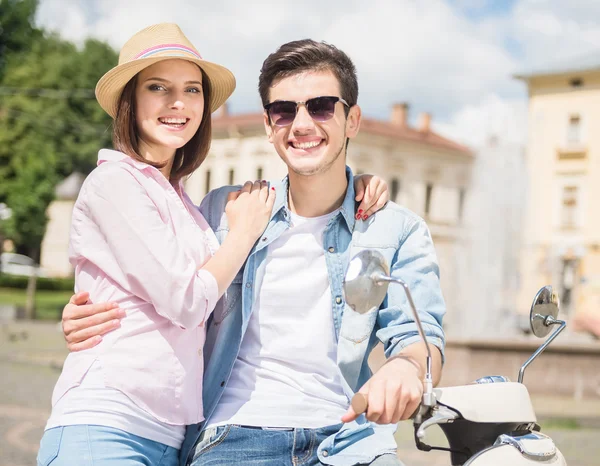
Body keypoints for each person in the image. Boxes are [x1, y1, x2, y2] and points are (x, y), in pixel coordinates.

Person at [60, 38, 445, 466]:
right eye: (285, 111)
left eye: (320, 107)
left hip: (350, 441)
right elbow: (156, 277)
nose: (302, 124)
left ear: (351, 120)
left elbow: (418, 336)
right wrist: (82, 307)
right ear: (268, 125)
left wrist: (407, 369)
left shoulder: (396, 229)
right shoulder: (223, 212)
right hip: (234, 440)